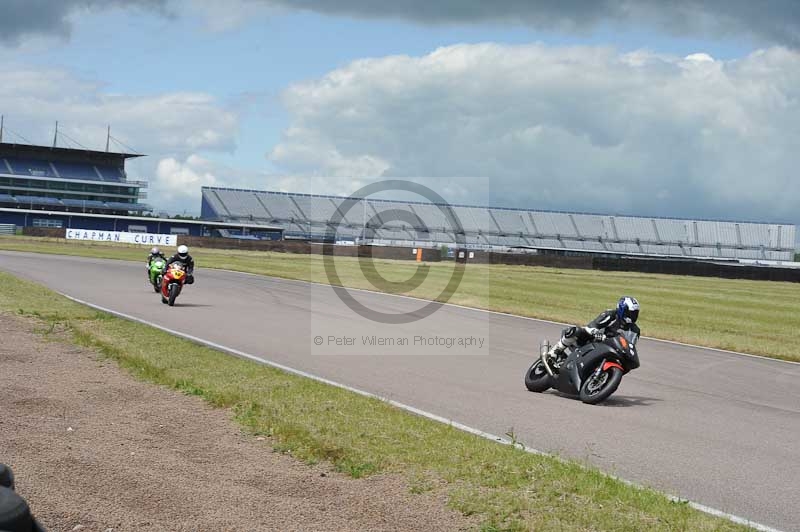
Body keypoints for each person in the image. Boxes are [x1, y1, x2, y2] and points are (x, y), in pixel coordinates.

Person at [546, 296, 640, 360]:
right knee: (576, 331)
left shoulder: (635, 331)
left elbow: (630, 346)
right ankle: (554, 352)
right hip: (591, 342)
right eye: (630, 313)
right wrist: (598, 334)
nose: (632, 316)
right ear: (622, 310)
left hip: (609, 352)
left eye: (635, 314)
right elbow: (591, 327)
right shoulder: (610, 315)